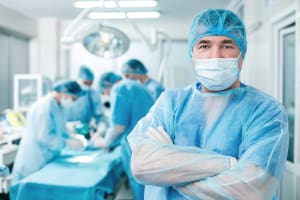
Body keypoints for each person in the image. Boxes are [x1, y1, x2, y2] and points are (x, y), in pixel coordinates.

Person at [128, 8, 289, 200]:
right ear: (192, 53)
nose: (216, 55)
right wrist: (228, 164)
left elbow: (251, 191)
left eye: (227, 45)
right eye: (204, 45)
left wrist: (171, 170)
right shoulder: (171, 103)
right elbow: (142, 166)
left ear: (242, 53)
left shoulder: (266, 111)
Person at [91, 72, 154, 200]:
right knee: (150, 186)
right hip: (151, 144)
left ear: (107, 86)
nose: (107, 96)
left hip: (136, 147)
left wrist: (104, 142)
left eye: (105, 93)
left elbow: (118, 127)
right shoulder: (138, 87)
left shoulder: (119, 90)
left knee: (139, 182)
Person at [11, 80, 86, 184]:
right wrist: (67, 143)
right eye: (73, 98)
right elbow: (45, 138)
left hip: (48, 157)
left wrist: (73, 137)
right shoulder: (44, 107)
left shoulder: (59, 106)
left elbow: (60, 129)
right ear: (64, 93)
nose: (73, 102)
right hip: (34, 161)